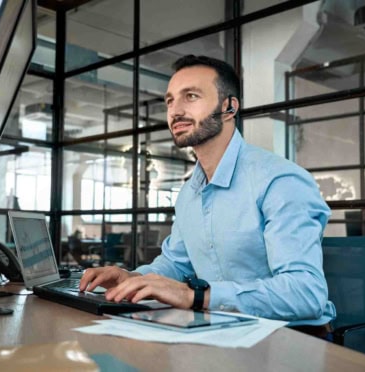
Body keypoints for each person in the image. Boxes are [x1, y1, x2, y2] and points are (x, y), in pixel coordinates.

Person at [79, 55, 336, 335]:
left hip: (289, 336)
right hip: (221, 328)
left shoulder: (279, 181)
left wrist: (196, 296)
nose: (175, 110)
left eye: (190, 96)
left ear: (229, 107)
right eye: (169, 100)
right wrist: (134, 277)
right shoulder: (190, 192)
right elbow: (176, 263)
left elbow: (305, 294)